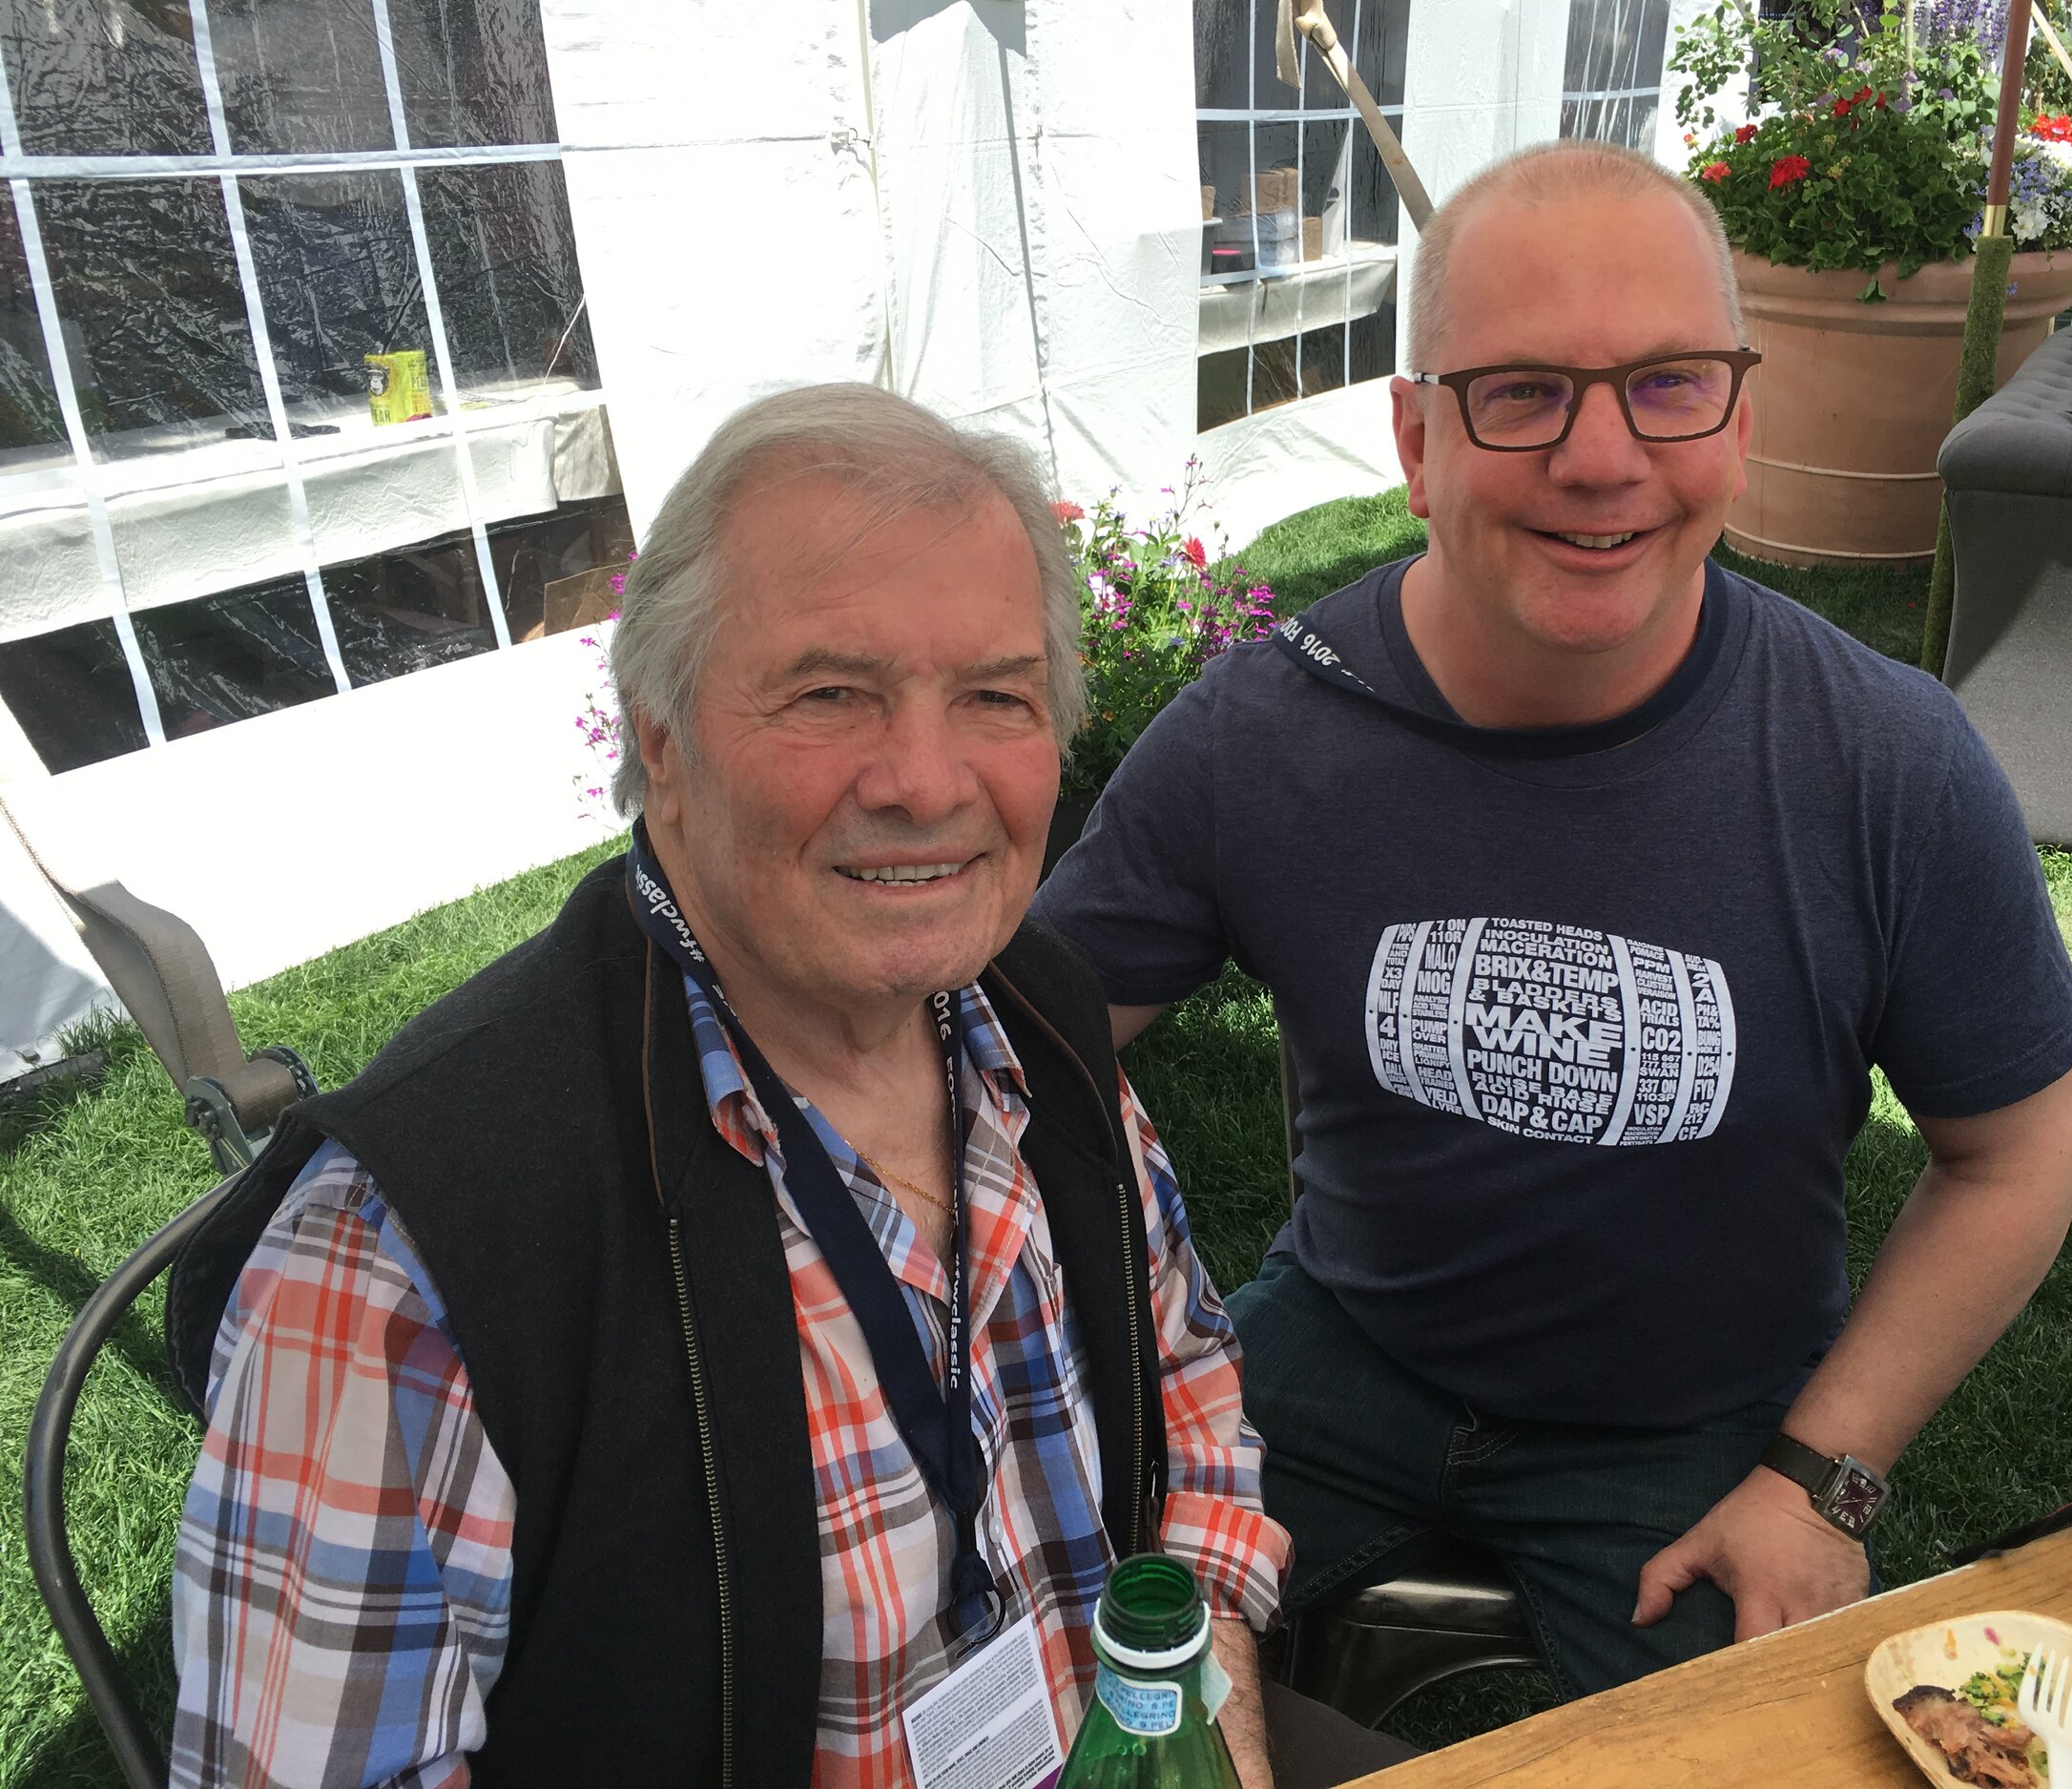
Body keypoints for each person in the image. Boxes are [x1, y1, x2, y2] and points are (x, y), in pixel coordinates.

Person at [163, 385, 1409, 1789]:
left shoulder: (1038, 1022)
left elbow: (1190, 1399)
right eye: (831, 693)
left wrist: (1208, 1738)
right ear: (661, 738)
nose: (928, 780)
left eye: (995, 695)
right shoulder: (412, 1263)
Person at [1032, 140, 2072, 1702]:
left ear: (1740, 415)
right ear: (1414, 438)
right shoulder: (1267, 734)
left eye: (1668, 385)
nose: (1601, 460)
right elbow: (1013, 1045)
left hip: (1700, 1422)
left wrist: (1827, 1482)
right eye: (1520, 391)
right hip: (1344, 1352)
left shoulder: (1882, 762)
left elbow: (2018, 1150)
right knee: (1057, 1655)